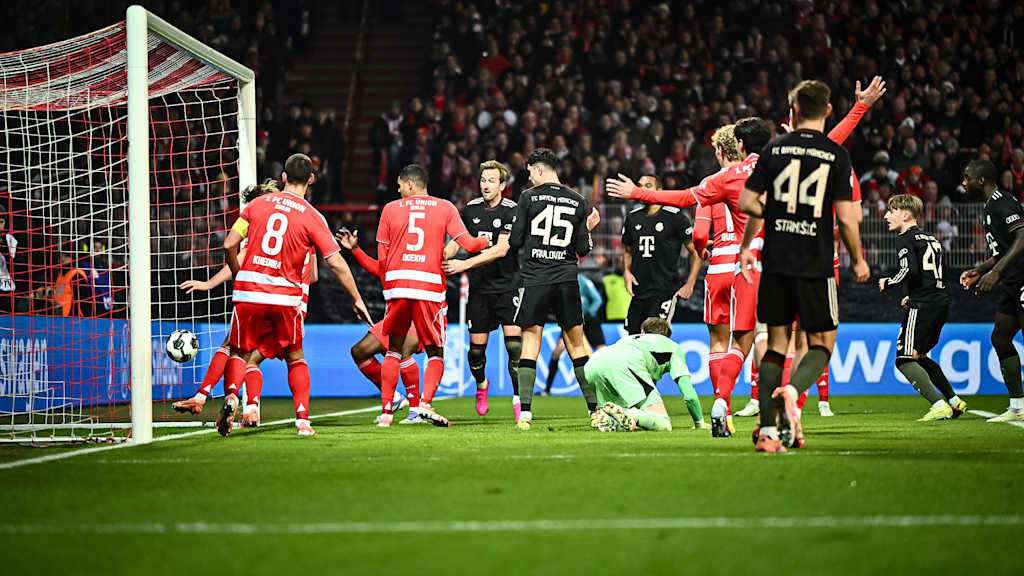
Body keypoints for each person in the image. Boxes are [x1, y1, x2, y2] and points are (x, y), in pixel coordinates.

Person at [608, 120, 772, 437]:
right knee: (755, 338)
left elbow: (697, 231)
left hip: (719, 266)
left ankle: (719, 402)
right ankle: (752, 402)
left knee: (718, 342)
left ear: (728, 148)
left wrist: (636, 192)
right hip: (753, 262)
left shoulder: (717, 181)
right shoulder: (772, 169)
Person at [738, 80, 869, 452]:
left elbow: (748, 201)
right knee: (822, 344)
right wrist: (858, 260)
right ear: (828, 111)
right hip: (815, 262)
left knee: (775, 345)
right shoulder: (836, 154)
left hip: (776, 260)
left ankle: (766, 432)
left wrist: (751, 242)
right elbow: (846, 219)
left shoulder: (774, 149)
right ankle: (793, 391)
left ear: (792, 110)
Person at [220, 154, 372, 437]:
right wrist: (356, 298)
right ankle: (303, 420)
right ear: (311, 180)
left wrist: (238, 273)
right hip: (287, 299)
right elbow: (336, 263)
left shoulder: (257, 204)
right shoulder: (313, 217)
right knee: (295, 358)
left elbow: (230, 243)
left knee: (239, 352)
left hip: (250, 292)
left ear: (283, 178)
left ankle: (231, 396)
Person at [374, 163, 488, 427]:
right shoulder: (445, 207)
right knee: (435, 351)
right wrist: (487, 242)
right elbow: (469, 244)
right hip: (428, 285)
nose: (398, 188)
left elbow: (382, 259)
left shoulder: (390, 209)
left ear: (410, 184)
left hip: (397, 284)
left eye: (400, 184)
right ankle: (424, 403)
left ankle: (386, 414)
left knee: (394, 350)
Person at [507, 148, 601, 431]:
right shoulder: (578, 200)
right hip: (566, 278)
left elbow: (514, 241)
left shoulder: (527, 197)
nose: (529, 178)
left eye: (529, 172)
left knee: (531, 342)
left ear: (539, 169)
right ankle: (594, 410)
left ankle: (525, 413)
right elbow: (583, 248)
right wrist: (586, 226)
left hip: (536, 277)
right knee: (576, 344)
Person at [173, 180, 282, 417]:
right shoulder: (290, 223)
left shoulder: (258, 224)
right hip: (287, 304)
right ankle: (251, 409)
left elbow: (236, 252)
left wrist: (211, 283)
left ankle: (211, 397)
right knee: (253, 360)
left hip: (255, 297)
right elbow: (312, 274)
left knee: (232, 348)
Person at [442, 160, 523, 420]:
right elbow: (459, 240)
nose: (486, 185)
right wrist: (445, 254)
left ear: (502, 185)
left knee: (515, 349)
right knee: (477, 352)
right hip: (480, 289)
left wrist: (464, 263)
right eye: (483, 180)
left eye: (491, 181)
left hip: (509, 285)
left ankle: (519, 397)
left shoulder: (512, 210)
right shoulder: (471, 209)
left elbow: (501, 250)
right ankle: (481, 385)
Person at [878, 194, 965, 420]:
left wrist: (888, 282)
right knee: (920, 356)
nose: (886, 216)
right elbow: (935, 272)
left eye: (891, 211)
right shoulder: (931, 238)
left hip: (924, 304)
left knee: (903, 359)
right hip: (940, 300)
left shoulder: (904, 237)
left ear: (905, 214)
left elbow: (910, 270)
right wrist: (913, 293)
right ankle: (954, 401)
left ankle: (937, 404)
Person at [336, 227, 425, 424]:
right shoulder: (391, 264)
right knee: (359, 351)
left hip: (417, 315)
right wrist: (356, 249)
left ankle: (416, 409)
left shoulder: (421, 259)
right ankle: (393, 399)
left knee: (401, 352)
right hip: (393, 317)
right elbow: (376, 268)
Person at [960, 159, 1024, 422]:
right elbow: (1002, 250)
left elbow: (1022, 238)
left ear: (981, 180)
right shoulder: (989, 207)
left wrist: (995, 273)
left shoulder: (1001, 201)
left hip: (1022, 279)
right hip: (1011, 281)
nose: (964, 183)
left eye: (967, 177)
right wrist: (980, 270)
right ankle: (1018, 407)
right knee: (1000, 337)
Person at [586, 317, 705, 431]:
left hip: (594, 363)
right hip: (625, 365)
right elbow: (689, 395)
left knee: (618, 412)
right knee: (663, 423)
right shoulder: (672, 347)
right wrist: (699, 422)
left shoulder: (631, 338)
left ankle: (610, 421)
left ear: (643, 331)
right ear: (667, 337)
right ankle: (628, 413)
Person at [620, 174, 701, 335]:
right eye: (640, 186)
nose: (642, 189)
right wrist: (626, 272)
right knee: (633, 341)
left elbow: (696, 252)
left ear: (660, 191)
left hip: (663, 291)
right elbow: (627, 251)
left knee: (655, 340)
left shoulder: (675, 217)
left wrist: (690, 283)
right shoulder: (632, 218)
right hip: (638, 292)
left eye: (648, 186)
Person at [542, 272, 605, 396]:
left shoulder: (583, 280)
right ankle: (547, 389)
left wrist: (588, 314)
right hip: (571, 320)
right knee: (557, 351)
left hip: (589, 321)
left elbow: (597, 299)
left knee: (602, 351)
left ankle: (608, 388)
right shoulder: (561, 280)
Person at [0, 215, 17, 313]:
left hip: (5, 290)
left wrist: (4, 247)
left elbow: (16, 264)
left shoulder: (9, 239)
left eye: (1, 222)